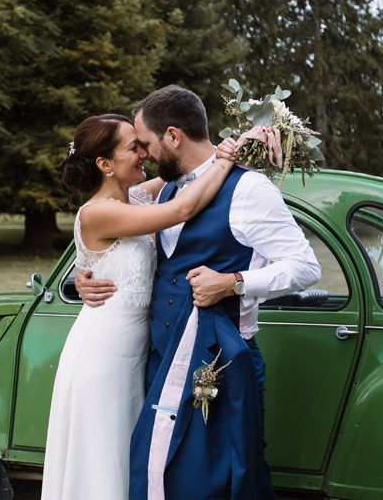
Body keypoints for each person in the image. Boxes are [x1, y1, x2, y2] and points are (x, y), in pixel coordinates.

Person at [75, 85, 321, 499]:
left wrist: (233, 282)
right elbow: (107, 238)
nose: (145, 155)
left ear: (173, 137)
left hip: (222, 367)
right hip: (159, 363)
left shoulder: (249, 190)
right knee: (163, 477)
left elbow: (306, 267)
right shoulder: (167, 190)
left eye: (147, 145)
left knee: (223, 481)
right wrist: (84, 275)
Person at [41, 113, 241, 500]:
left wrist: (231, 144)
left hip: (135, 354)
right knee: (105, 458)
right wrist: (226, 160)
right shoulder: (99, 212)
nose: (145, 153)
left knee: (131, 454)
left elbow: (183, 173)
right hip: (102, 355)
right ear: (104, 164)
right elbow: (182, 209)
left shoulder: (134, 197)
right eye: (134, 147)